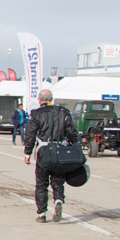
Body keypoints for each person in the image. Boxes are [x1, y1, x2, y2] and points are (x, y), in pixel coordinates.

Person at [23, 89, 78, 223]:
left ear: (39, 100)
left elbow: (30, 134)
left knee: (41, 183)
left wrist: (27, 153)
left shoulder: (36, 114)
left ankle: (42, 213)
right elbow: (71, 132)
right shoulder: (63, 112)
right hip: (60, 151)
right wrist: (73, 146)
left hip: (44, 151)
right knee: (58, 180)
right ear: (52, 99)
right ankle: (58, 200)